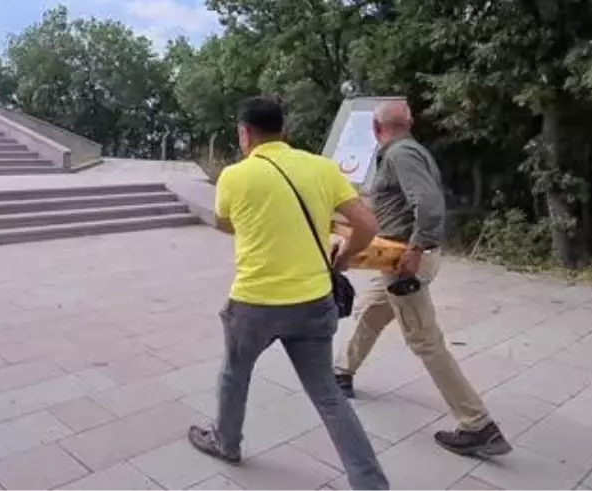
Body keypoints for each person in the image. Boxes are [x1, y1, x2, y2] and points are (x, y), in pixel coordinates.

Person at [187, 97, 389, 491]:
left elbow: (226, 224)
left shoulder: (234, 175)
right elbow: (366, 222)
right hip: (313, 303)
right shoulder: (322, 168)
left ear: (244, 133)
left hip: (254, 304)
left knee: (234, 374)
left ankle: (227, 442)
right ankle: (371, 484)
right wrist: (343, 257)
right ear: (284, 130)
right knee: (329, 396)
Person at [333, 100, 512, 457]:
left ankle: (478, 426)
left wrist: (416, 249)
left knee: (425, 341)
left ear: (375, 129)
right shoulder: (410, 151)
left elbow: (428, 205)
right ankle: (342, 373)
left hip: (406, 262)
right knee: (370, 312)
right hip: (397, 260)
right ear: (410, 122)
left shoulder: (400, 156)